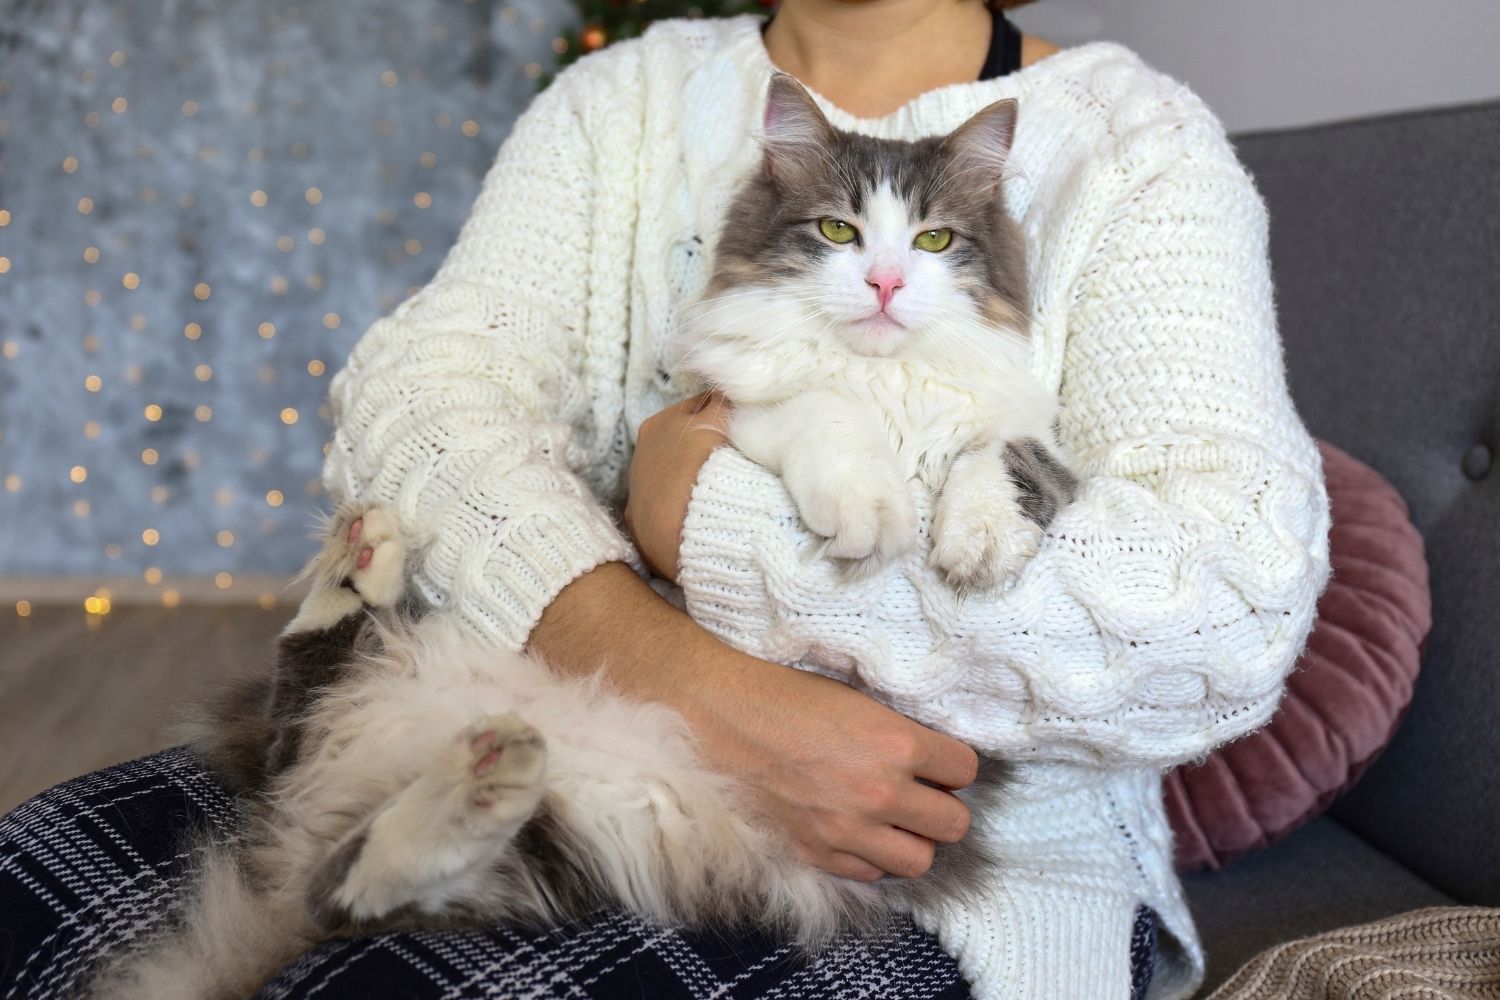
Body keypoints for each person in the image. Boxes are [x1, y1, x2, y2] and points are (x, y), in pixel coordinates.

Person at [0, 1, 1330, 997]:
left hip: (934, 875)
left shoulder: (1139, 147)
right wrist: (651, 652)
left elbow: (1218, 611)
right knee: (26, 895)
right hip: (532, 732)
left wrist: (708, 516)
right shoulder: (621, 101)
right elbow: (420, 397)